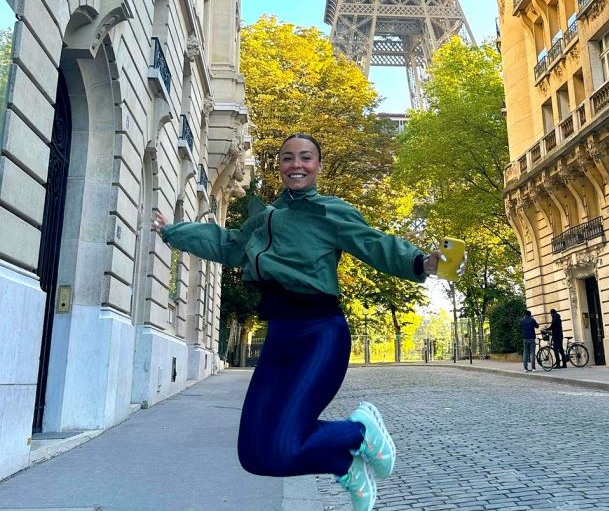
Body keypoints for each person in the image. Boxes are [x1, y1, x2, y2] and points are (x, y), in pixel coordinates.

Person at [152, 133, 466, 511]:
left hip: (320, 335)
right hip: (280, 337)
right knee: (254, 454)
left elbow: (374, 244)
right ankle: (343, 462)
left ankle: (360, 430)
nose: (296, 165)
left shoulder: (331, 211)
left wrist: (422, 263)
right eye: (288, 158)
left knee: (285, 445)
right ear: (279, 165)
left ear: (317, 166)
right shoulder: (265, 219)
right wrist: (173, 232)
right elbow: (227, 244)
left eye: (305, 158)